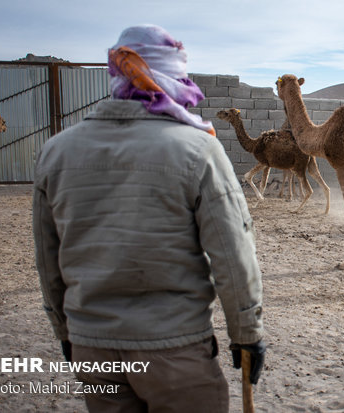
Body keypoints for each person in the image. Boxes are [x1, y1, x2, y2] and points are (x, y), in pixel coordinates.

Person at [33, 24, 265, 412]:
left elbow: (47, 260)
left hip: (93, 348)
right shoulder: (199, 150)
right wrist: (246, 334)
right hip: (176, 351)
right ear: (172, 74)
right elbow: (233, 254)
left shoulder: (55, 152)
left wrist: (66, 331)